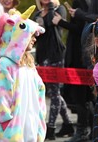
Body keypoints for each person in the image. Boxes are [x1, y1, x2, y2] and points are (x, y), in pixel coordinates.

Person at [0, 6, 47, 142]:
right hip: (12, 134)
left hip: (31, 130)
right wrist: (7, 128)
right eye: (31, 35)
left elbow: (40, 95)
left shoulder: (30, 66)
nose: (34, 39)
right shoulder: (5, 66)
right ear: (18, 37)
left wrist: (40, 126)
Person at [52, 0, 98, 141]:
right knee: (85, 96)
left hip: (88, 55)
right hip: (83, 54)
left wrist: (66, 20)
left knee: (91, 96)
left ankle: (93, 131)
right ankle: (88, 131)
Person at [33, 0, 74, 140]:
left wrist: (50, 8)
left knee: (55, 92)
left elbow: (51, 23)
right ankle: (68, 123)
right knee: (52, 92)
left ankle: (50, 128)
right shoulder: (37, 13)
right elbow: (36, 34)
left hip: (55, 55)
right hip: (42, 55)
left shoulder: (59, 9)